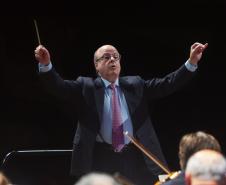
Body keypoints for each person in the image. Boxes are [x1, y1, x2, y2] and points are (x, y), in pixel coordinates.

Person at [34, 42, 208, 185]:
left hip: (136, 156)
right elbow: (59, 87)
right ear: (97, 65)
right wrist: (46, 65)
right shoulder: (85, 87)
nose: (112, 60)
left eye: (116, 57)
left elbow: (167, 84)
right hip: (101, 156)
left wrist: (191, 62)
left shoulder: (135, 84)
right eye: (106, 57)